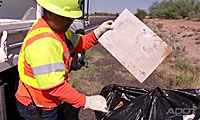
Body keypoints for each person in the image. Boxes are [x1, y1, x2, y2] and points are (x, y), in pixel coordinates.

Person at [15, 0, 114, 119]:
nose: (71, 20)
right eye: (66, 17)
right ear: (50, 13)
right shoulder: (43, 43)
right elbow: (54, 87)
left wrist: (97, 33)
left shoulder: (59, 30)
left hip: (49, 101)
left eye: (72, 17)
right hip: (38, 106)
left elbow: (79, 43)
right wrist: (87, 101)